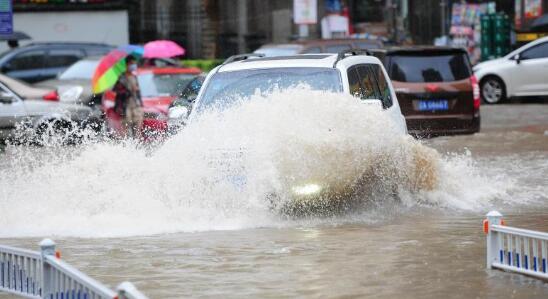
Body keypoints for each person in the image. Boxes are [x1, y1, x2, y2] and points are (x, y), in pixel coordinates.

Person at [113, 55, 143, 138]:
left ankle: (136, 144)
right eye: (132, 64)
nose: (134, 66)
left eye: (135, 64)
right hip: (125, 106)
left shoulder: (134, 77)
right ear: (127, 64)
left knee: (137, 129)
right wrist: (127, 91)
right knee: (126, 129)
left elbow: (138, 92)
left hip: (136, 105)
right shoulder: (121, 78)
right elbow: (116, 90)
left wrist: (136, 91)